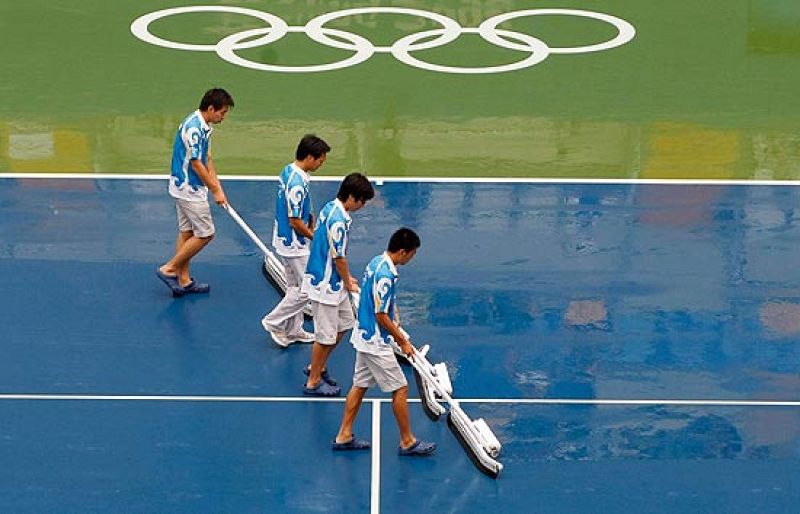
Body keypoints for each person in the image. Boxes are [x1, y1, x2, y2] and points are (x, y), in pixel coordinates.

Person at [332, 228, 436, 456]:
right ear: (402, 251)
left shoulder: (377, 262)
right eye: (412, 253)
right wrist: (402, 341)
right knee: (400, 388)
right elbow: (381, 315)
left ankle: (344, 435)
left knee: (359, 386)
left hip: (363, 336)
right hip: (375, 343)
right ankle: (407, 441)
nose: (412, 257)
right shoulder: (385, 277)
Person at [301, 172, 375, 396]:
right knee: (324, 336)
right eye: (362, 201)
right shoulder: (338, 222)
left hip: (334, 284)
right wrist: (348, 281)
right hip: (325, 286)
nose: (362, 206)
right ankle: (312, 382)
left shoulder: (331, 207)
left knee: (344, 325)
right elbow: (338, 257)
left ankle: (317, 366)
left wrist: (345, 279)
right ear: (352, 197)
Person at [156, 88, 234, 296]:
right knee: (206, 234)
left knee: (187, 233)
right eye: (222, 113)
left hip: (188, 188)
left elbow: (208, 159)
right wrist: (214, 190)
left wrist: (219, 189)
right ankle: (169, 269)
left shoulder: (203, 125)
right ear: (211, 108)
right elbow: (197, 165)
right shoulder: (193, 129)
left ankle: (184, 281)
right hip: (188, 189)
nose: (223, 117)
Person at [261, 134, 331, 347]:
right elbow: (294, 221)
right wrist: (316, 238)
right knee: (307, 289)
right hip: (294, 245)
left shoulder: (288, 170)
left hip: (285, 241)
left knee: (294, 287)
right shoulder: (297, 184)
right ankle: (273, 322)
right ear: (310, 157)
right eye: (320, 160)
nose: (321, 164)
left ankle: (293, 330)